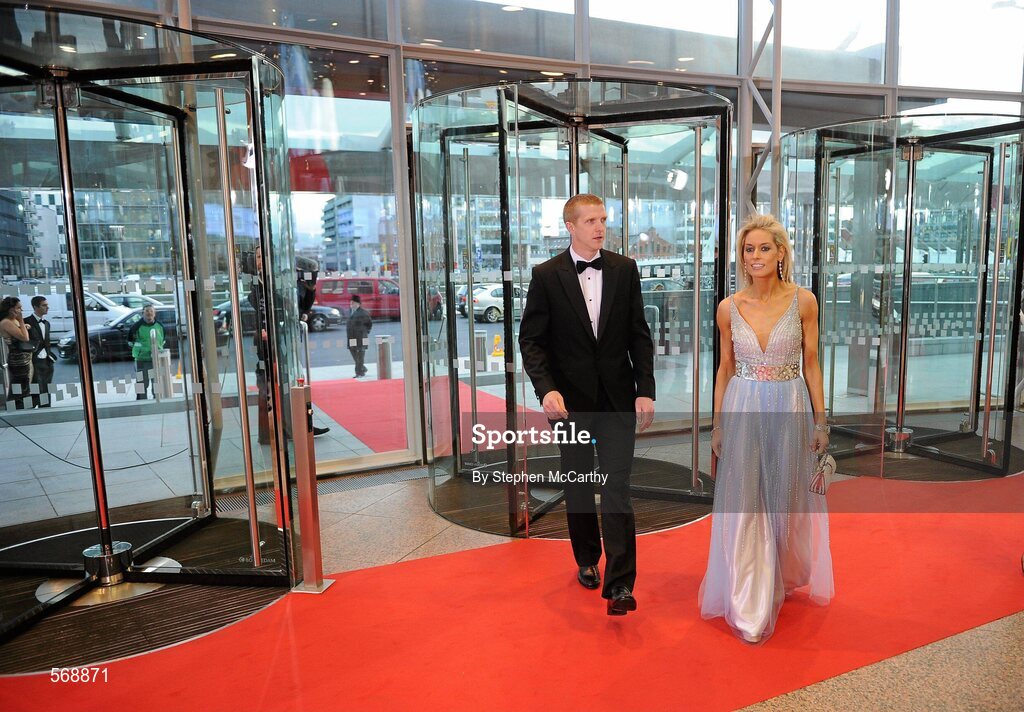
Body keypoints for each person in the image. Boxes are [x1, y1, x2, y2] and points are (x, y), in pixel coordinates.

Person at [519, 193, 655, 616]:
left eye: (603, 219)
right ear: (570, 226)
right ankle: (585, 559)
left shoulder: (624, 269)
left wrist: (644, 388)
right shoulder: (546, 275)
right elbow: (532, 341)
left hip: (617, 399)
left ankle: (619, 585)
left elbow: (639, 335)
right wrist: (546, 389)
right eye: (591, 220)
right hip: (571, 403)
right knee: (579, 484)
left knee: (617, 487)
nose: (600, 227)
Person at [699, 213, 834, 644]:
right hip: (742, 404)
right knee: (746, 498)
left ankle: (782, 573)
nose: (754, 256)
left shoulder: (804, 301)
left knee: (785, 493)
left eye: (763, 248)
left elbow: (811, 364)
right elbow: (724, 368)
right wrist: (717, 425)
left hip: (789, 403)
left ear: (781, 253)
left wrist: (822, 421)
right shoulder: (728, 307)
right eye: (748, 249)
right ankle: (750, 599)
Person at [0, 296, 34, 410]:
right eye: (19, 308)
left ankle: (24, 408)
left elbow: (21, 330)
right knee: (20, 386)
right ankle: (16, 409)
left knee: (25, 385)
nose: (21, 311)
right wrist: (21, 321)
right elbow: (25, 338)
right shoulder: (6, 322)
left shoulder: (13, 320)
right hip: (18, 359)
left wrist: (23, 325)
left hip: (25, 357)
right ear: (11, 309)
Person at [127, 305, 165, 400]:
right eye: (147, 311)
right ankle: (140, 402)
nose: (149, 313)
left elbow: (163, 340)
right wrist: (141, 351)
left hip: (156, 360)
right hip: (141, 360)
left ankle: (158, 401)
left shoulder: (160, 326)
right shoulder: (136, 327)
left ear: (154, 313)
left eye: (151, 311)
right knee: (141, 384)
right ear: (142, 313)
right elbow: (130, 342)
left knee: (157, 383)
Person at [25, 295, 56, 408]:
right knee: (36, 387)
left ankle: (46, 408)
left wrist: (50, 357)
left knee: (47, 387)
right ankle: (34, 409)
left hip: (47, 360)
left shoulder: (47, 323)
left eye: (47, 305)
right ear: (35, 307)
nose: (47, 307)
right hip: (34, 360)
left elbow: (46, 342)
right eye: (44, 305)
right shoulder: (26, 322)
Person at [346, 294, 372, 378]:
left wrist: (365, 332)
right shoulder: (350, 312)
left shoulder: (363, 313)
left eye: (353, 303)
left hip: (361, 337)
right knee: (353, 352)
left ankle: (359, 372)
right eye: (351, 303)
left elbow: (369, 324)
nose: (351, 304)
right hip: (351, 337)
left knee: (360, 355)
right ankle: (362, 368)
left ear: (358, 304)